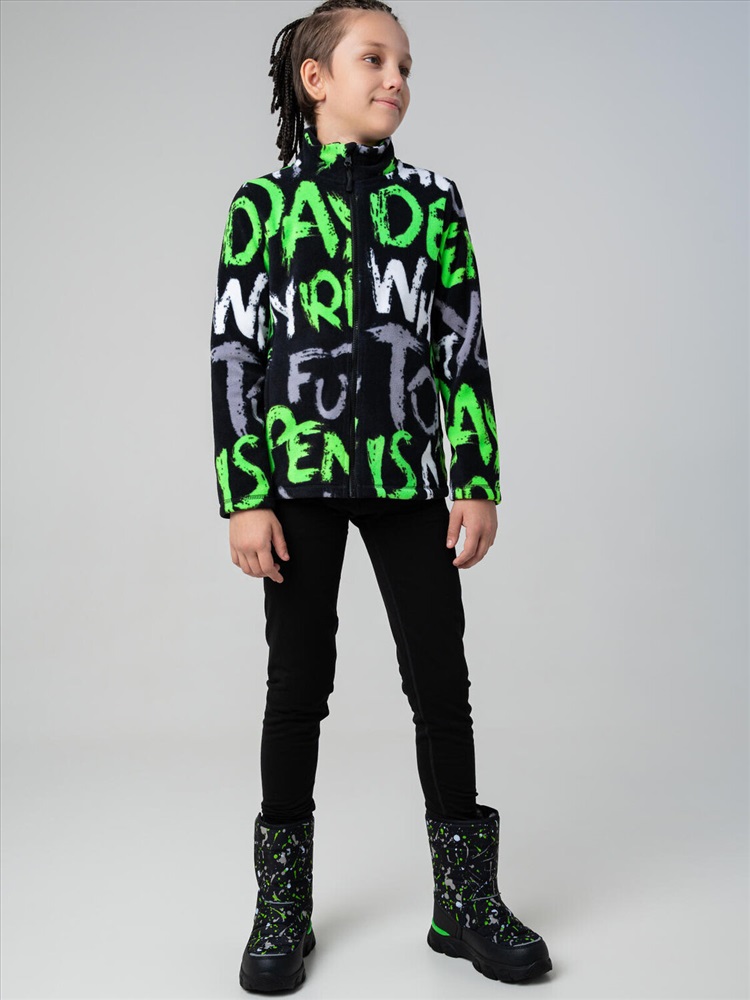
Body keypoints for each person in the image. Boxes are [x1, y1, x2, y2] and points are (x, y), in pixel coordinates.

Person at [209, 0, 553, 992]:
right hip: (296, 481)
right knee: (296, 687)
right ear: (316, 78)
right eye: (374, 59)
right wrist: (245, 494)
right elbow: (235, 350)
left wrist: (475, 478)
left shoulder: (433, 202)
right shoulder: (262, 206)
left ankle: (465, 901)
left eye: (405, 64)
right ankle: (282, 904)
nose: (396, 78)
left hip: (408, 478)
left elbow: (461, 343)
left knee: (440, 681)